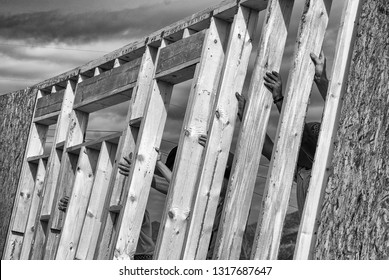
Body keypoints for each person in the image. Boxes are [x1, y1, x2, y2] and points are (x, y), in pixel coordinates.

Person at [260, 50, 329, 217]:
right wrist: (247, 120)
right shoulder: (301, 173)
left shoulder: (319, 169)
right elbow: (269, 151)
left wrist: (321, 81)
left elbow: (302, 135)